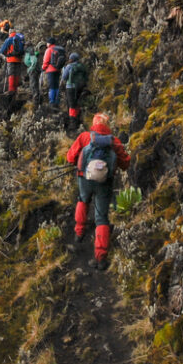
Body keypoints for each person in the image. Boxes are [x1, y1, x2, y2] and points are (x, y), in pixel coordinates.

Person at [66, 113, 130, 270]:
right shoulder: (114, 141)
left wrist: (78, 163)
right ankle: (101, 258)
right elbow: (125, 163)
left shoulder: (84, 137)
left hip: (84, 179)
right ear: (108, 125)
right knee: (101, 217)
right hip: (104, 183)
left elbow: (70, 157)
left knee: (83, 200)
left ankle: (79, 233)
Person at [61, 53, 88, 130]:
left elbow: (64, 77)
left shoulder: (69, 66)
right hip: (80, 87)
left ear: (71, 59)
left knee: (71, 104)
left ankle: (73, 123)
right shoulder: (82, 66)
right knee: (77, 103)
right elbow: (86, 77)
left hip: (70, 87)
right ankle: (78, 119)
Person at [0, 28, 24, 95]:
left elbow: (2, 50)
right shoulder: (19, 39)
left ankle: (11, 89)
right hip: (19, 59)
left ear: (9, 33)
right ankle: (15, 89)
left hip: (11, 59)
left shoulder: (9, 39)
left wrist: (7, 55)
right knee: (17, 74)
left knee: (11, 74)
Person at [42, 37, 65, 106]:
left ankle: (52, 101)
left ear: (49, 43)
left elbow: (46, 61)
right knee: (56, 86)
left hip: (50, 70)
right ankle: (57, 101)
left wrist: (43, 68)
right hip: (58, 70)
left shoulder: (49, 50)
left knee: (52, 86)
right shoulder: (59, 49)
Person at [24, 41, 46, 109]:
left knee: (34, 85)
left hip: (34, 71)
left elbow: (34, 61)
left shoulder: (31, 51)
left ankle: (36, 103)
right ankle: (37, 101)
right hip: (37, 70)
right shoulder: (34, 52)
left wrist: (31, 68)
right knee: (35, 85)